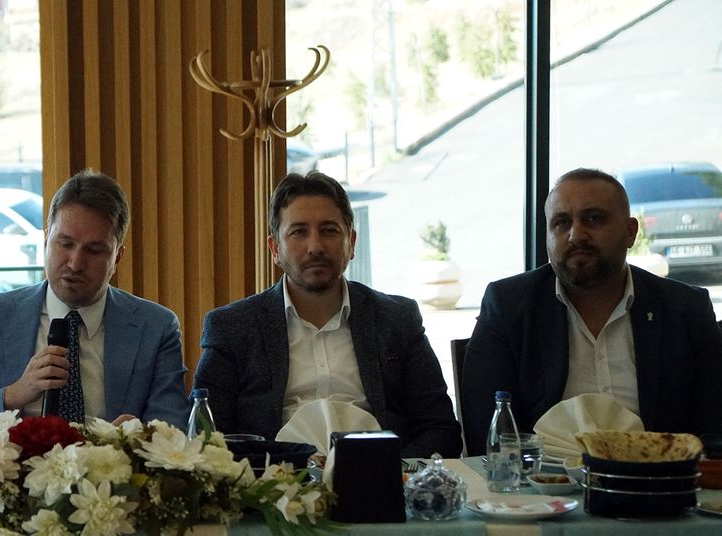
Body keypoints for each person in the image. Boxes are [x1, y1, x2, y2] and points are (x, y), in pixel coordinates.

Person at [193, 172, 463, 459]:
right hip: (275, 479)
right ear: (275, 249)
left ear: (352, 242)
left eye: (329, 230)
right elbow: (206, 436)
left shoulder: (396, 320)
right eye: (298, 232)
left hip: (382, 476)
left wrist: (396, 471)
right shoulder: (232, 327)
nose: (315, 247)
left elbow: (440, 429)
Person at [461, 167, 722, 454]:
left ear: (630, 232)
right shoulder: (509, 306)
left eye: (594, 219)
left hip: (658, 476)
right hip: (542, 478)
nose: (576, 235)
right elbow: (488, 431)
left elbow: (714, 427)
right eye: (561, 223)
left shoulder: (685, 308)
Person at [0, 169, 191, 427]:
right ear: (46, 241)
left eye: (94, 250)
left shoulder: (155, 327)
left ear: (117, 257)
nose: (75, 263)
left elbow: (173, 427)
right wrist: (11, 396)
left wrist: (134, 437)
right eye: (65, 244)